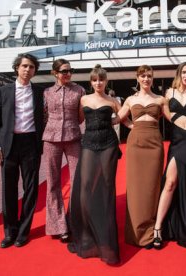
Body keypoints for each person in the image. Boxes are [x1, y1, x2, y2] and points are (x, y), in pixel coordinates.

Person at [67, 64, 121, 265]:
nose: (98, 83)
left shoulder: (113, 101)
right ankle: (86, 234)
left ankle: (105, 238)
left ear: (106, 81)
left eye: (101, 80)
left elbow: (120, 118)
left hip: (108, 144)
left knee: (106, 188)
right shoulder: (84, 99)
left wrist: (130, 124)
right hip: (89, 143)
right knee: (85, 188)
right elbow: (80, 119)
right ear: (91, 82)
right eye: (95, 80)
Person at [0, 53, 44, 248]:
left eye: (31, 67)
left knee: (30, 189)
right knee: (9, 190)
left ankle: (23, 232)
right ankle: (9, 232)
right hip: (8, 145)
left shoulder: (40, 92)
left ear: (34, 71)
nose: (27, 70)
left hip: (31, 143)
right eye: (24, 66)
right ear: (17, 68)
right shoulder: (3, 91)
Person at [117, 65, 170, 249]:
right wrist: (132, 126)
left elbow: (172, 118)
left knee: (152, 187)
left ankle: (152, 231)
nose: (146, 79)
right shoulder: (131, 100)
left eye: (149, 76)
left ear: (153, 78)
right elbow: (119, 118)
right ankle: (135, 232)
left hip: (154, 143)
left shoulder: (161, 99)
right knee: (135, 186)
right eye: (143, 76)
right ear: (137, 78)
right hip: (136, 143)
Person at [153, 62, 186, 249]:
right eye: (184, 72)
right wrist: (174, 119)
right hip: (178, 140)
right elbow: (164, 111)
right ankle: (158, 227)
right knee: (170, 182)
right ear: (179, 74)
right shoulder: (169, 93)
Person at [43, 59, 85, 242]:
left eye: (70, 70)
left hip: (73, 138)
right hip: (51, 140)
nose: (68, 74)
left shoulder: (79, 90)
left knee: (77, 181)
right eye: (64, 71)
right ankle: (59, 226)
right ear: (55, 73)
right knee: (53, 182)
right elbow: (44, 115)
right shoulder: (46, 92)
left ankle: (74, 221)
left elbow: (81, 117)